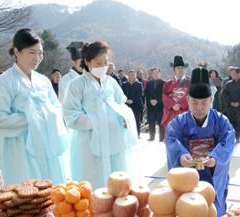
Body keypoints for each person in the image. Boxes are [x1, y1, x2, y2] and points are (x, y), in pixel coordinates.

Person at [0, 28, 69, 185]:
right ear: (17, 52)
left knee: (49, 189)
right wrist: (31, 117)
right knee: (24, 193)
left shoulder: (43, 81)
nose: (37, 58)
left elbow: (56, 107)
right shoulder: (5, 81)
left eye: (40, 53)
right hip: (18, 147)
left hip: (45, 142)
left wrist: (43, 115)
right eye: (32, 52)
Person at [62, 41, 138, 188]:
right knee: (93, 180)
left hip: (113, 139)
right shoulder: (77, 84)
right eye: (98, 63)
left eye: (105, 62)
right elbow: (70, 115)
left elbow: (121, 104)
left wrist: (122, 118)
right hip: (88, 140)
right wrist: (97, 121)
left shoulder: (111, 82)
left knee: (117, 180)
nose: (102, 67)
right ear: (87, 62)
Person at [166, 67, 235, 217]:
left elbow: (228, 141)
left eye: (204, 103)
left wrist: (216, 157)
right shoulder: (178, 123)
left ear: (211, 100)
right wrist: (181, 156)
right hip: (188, 177)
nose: (199, 108)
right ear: (187, 100)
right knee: (188, 216)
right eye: (194, 102)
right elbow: (171, 139)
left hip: (212, 176)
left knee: (212, 214)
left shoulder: (221, 122)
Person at [161, 55, 190, 135]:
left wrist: (181, 104)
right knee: (171, 136)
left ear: (184, 69)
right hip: (172, 113)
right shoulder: (168, 83)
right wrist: (173, 104)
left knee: (185, 137)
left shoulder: (190, 82)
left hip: (185, 112)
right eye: (178, 68)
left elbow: (192, 96)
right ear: (174, 70)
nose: (180, 70)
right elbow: (164, 96)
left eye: (182, 68)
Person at [222, 67, 240, 143]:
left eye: (234, 74)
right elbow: (224, 94)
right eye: (231, 74)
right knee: (230, 122)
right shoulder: (228, 84)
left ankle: (237, 137)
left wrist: (239, 102)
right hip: (230, 106)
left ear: (238, 74)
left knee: (238, 122)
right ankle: (231, 137)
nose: (232, 75)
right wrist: (230, 102)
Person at [122, 70, 143, 137]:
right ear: (128, 75)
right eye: (130, 75)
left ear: (135, 75)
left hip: (136, 105)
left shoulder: (139, 84)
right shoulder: (124, 84)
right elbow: (122, 94)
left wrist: (133, 100)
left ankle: (137, 134)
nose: (131, 76)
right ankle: (128, 134)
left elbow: (139, 94)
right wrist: (126, 100)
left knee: (136, 120)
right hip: (127, 105)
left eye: (133, 75)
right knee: (127, 120)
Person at [145, 67, 164, 141]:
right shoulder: (149, 83)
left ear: (159, 74)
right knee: (151, 122)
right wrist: (150, 100)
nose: (155, 74)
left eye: (157, 73)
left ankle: (161, 138)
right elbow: (147, 93)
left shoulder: (163, 83)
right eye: (154, 73)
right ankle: (151, 137)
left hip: (160, 106)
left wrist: (157, 101)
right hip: (151, 107)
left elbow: (164, 94)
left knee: (160, 122)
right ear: (152, 74)